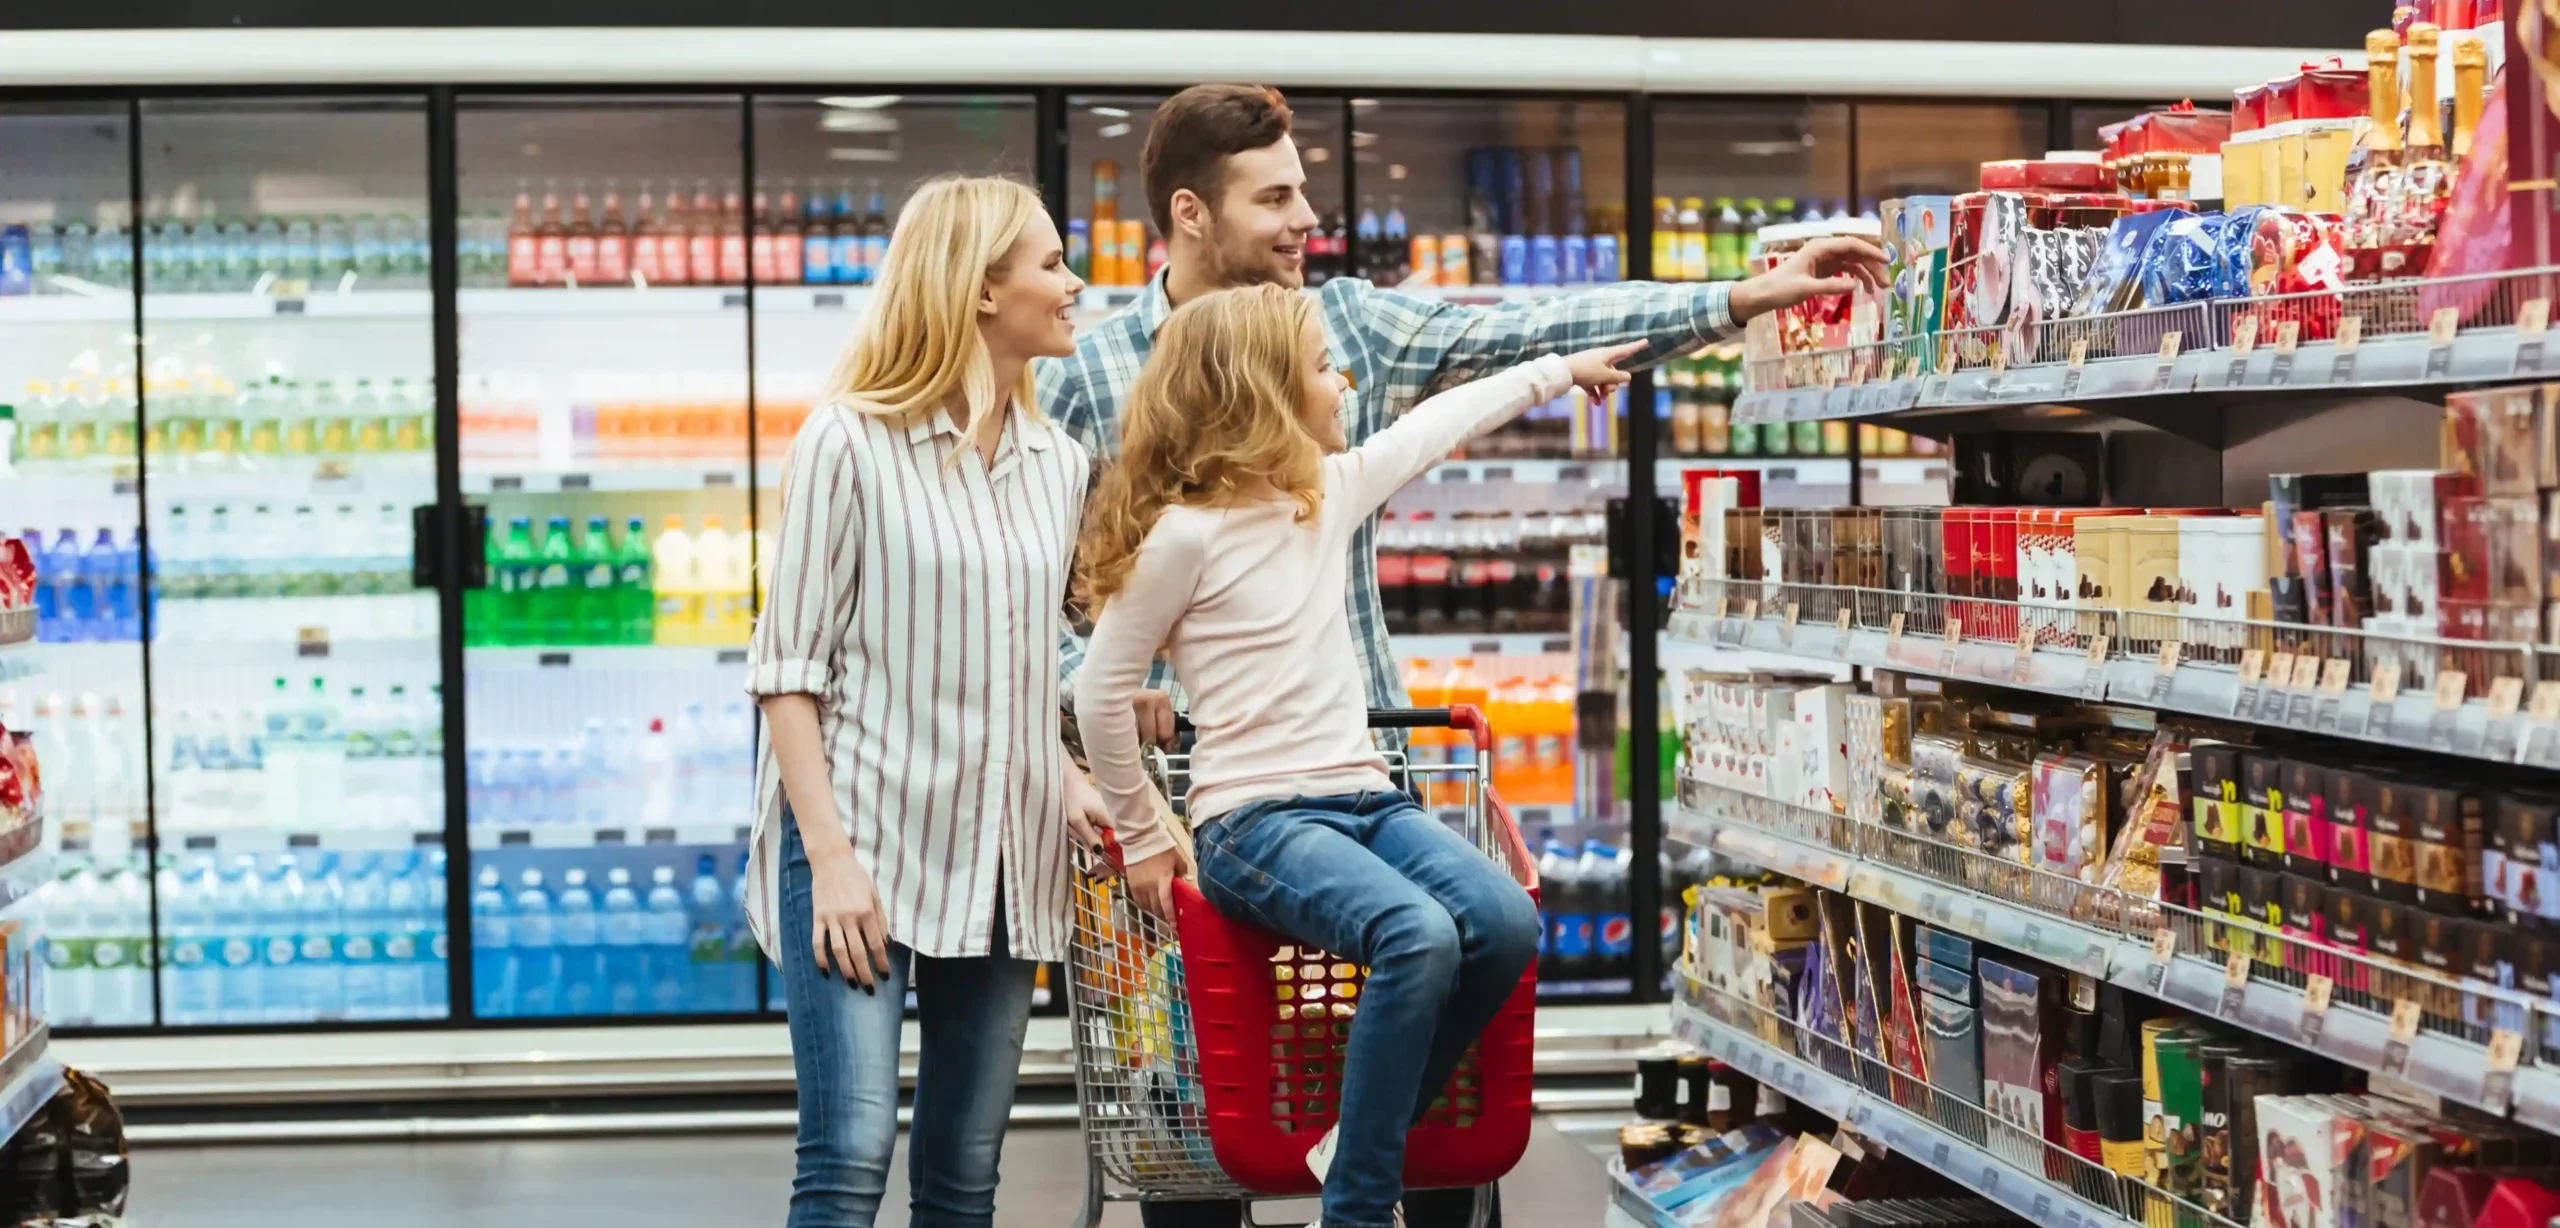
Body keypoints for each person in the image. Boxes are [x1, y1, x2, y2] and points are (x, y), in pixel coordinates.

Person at [1037, 82, 1886, 1228]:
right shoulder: (1084, 377)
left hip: (1366, 769)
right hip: (1198, 809)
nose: (1304, 222)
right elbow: (1032, 602)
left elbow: (1523, 334)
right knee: (1205, 1136)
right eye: (1276, 196)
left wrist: (1740, 297)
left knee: (1443, 1076)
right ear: (1191, 213)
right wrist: (1103, 704)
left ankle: (1361, 1168)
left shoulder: (1346, 332)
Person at [1073, 282, 1640, 1228]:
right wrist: (1142, 834)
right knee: (1414, 934)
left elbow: (1440, 422)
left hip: (1365, 800)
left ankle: (1353, 1141)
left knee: (1503, 920)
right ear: (1261, 393)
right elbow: (1099, 691)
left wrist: (1558, 371)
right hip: (1254, 821)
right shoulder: (1183, 538)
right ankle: (1359, 1207)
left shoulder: (1321, 498)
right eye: (1322, 367)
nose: (1343, 383)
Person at [743, 174, 1107, 1228]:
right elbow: (787, 671)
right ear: (981, 290)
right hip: (858, 836)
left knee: (962, 1172)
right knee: (850, 1153)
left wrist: (1072, 774)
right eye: (1049, 262)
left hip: (1000, 850)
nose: (1072, 282)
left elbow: (1021, 657)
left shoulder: (1058, 462)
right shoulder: (847, 442)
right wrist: (836, 861)